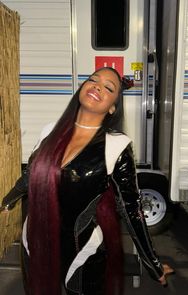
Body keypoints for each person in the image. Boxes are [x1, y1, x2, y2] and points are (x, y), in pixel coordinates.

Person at [2, 67, 174, 295]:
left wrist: (152, 263)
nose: (97, 86)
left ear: (113, 107)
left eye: (108, 87)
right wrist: (7, 202)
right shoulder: (49, 131)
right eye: (93, 80)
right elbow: (30, 178)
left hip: (82, 251)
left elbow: (131, 209)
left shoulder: (117, 146)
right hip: (35, 240)